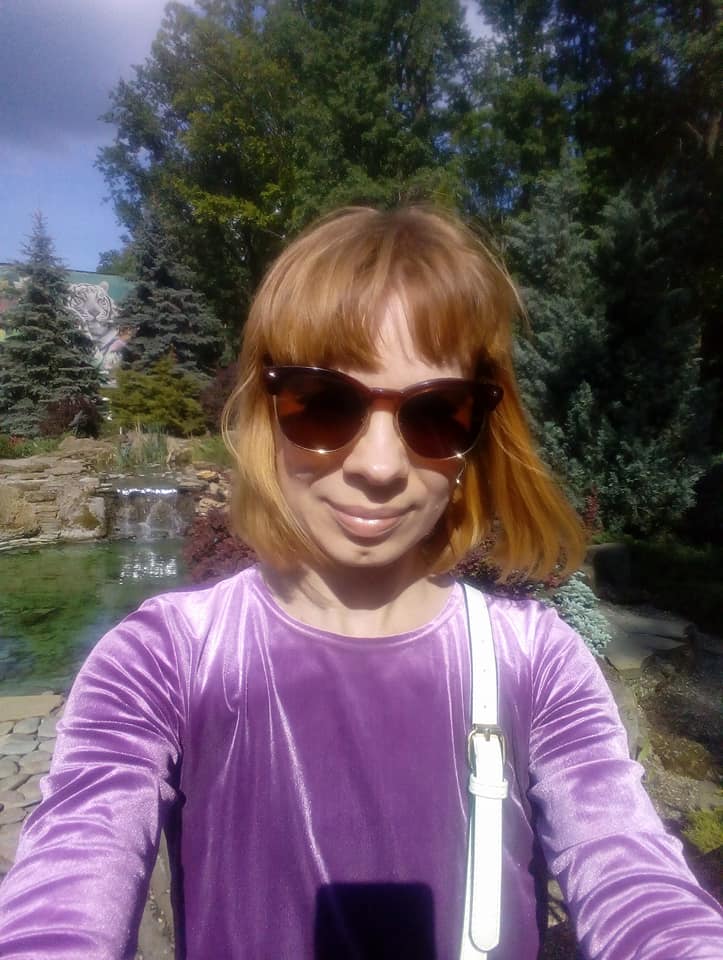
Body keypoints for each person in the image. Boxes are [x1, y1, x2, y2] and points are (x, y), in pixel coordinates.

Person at [0, 207, 720, 959]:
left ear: (477, 438)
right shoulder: (163, 660)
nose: (379, 467)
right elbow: (68, 880)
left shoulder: (535, 662)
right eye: (324, 403)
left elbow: (634, 877)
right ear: (265, 412)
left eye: (436, 413)